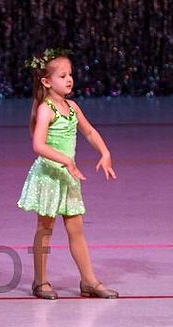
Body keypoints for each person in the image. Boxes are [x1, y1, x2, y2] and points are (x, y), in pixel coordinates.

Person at [17, 49, 119, 300]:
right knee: (45, 228)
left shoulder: (72, 107)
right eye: (62, 76)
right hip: (50, 176)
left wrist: (104, 152)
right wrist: (65, 161)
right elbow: (39, 145)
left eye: (70, 74)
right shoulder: (45, 109)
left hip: (69, 176)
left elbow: (89, 132)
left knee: (76, 230)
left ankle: (89, 281)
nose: (69, 79)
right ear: (46, 81)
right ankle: (40, 282)